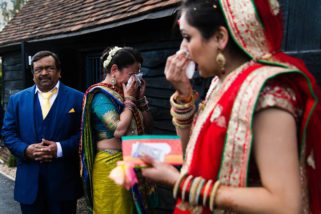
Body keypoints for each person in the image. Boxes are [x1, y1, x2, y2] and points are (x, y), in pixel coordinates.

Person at [140, 0, 321, 213]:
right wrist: (183, 93)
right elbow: (190, 152)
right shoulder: (221, 83)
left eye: (188, 38)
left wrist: (180, 183)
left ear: (220, 38)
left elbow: (284, 204)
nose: (183, 50)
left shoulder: (266, 91)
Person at [2, 50, 84, 213]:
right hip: (29, 184)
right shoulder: (17, 100)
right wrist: (25, 150)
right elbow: (8, 133)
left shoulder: (78, 98)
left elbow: (84, 134)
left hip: (63, 183)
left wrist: (59, 148)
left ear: (59, 72)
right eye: (38, 69)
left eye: (49, 68)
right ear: (33, 74)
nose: (44, 73)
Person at [80, 46, 154, 213]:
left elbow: (149, 126)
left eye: (138, 75)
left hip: (133, 162)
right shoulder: (100, 95)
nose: (135, 80)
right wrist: (129, 101)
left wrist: (141, 99)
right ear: (114, 70)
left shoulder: (128, 94)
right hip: (110, 165)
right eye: (132, 75)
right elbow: (118, 130)